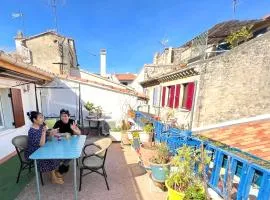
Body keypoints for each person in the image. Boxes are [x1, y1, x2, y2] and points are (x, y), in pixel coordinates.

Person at [25, 111, 64, 184]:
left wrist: (52, 132)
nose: (43, 119)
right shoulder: (32, 131)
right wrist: (44, 132)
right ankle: (53, 178)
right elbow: (41, 144)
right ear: (34, 120)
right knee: (50, 157)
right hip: (34, 152)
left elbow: (47, 135)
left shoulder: (40, 126)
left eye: (42, 117)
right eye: (40, 117)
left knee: (56, 153)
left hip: (42, 148)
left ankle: (54, 172)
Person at [53, 109, 81, 173]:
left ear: (69, 116)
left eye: (65, 116)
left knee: (72, 153)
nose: (63, 117)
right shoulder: (58, 123)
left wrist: (75, 130)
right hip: (60, 143)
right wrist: (63, 134)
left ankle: (64, 165)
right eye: (62, 116)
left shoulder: (72, 122)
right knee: (57, 153)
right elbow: (53, 133)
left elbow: (79, 133)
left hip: (72, 143)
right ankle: (62, 163)